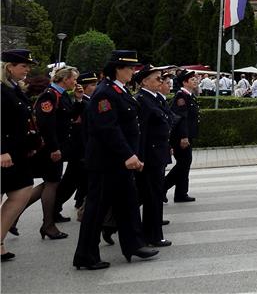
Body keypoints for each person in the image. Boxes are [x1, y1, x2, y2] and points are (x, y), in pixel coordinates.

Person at [73, 50, 158, 270]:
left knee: (128, 203)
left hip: (119, 161)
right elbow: (107, 128)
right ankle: (86, 255)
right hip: (106, 162)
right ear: (117, 69)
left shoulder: (119, 90)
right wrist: (128, 155)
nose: (133, 71)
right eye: (129, 68)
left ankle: (134, 245)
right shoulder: (105, 93)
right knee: (96, 209)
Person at [24, 65, 79, 240]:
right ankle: (48, 225)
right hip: (50, 148)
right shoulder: (50, 95)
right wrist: (54, 148)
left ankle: (15, 215)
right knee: (52, 183)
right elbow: (46, 125)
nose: (75, 82)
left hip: (58, 147)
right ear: (64, 79)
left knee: (50, 183)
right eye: (73, 78)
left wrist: (78, 100)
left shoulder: (62, 95)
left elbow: (69, 117)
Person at [1, 49, 39, 262]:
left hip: (18, 151)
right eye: (23, 66)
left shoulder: (14, 89)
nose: (27, 70)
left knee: (23, 190)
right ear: (9, 67)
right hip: (4, 151)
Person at [134, 65, 173, 247]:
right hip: (149, 155)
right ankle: (153, 236)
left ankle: (152, 232)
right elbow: (140, 133)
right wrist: (139, 157)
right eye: (157, 78)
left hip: (158, 153)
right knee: (152, 196)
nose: (161, 81)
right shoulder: (142, 100)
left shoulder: (154, 98)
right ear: (144, 81)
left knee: (153, 195)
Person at [55, 71, 97, 222]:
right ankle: (54, 209)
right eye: (92, 85)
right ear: (84, 88)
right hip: (80, 149)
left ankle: (79, 202)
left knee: (80, 180)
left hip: (83, 149)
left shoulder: (87, 102)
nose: (96, 87)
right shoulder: (85, 104)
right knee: (69, 182)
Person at [164, 70, 200, 203]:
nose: (195, 81)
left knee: (184, 164)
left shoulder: (189, 95)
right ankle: (162, 187)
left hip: (186, 136)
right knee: (183, 164)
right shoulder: (181, 96)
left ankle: (181, 193)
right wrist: (184, 137)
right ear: (184, 82)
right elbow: (181, 118)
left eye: (195, 79)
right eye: (192, 79)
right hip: (180, 137)